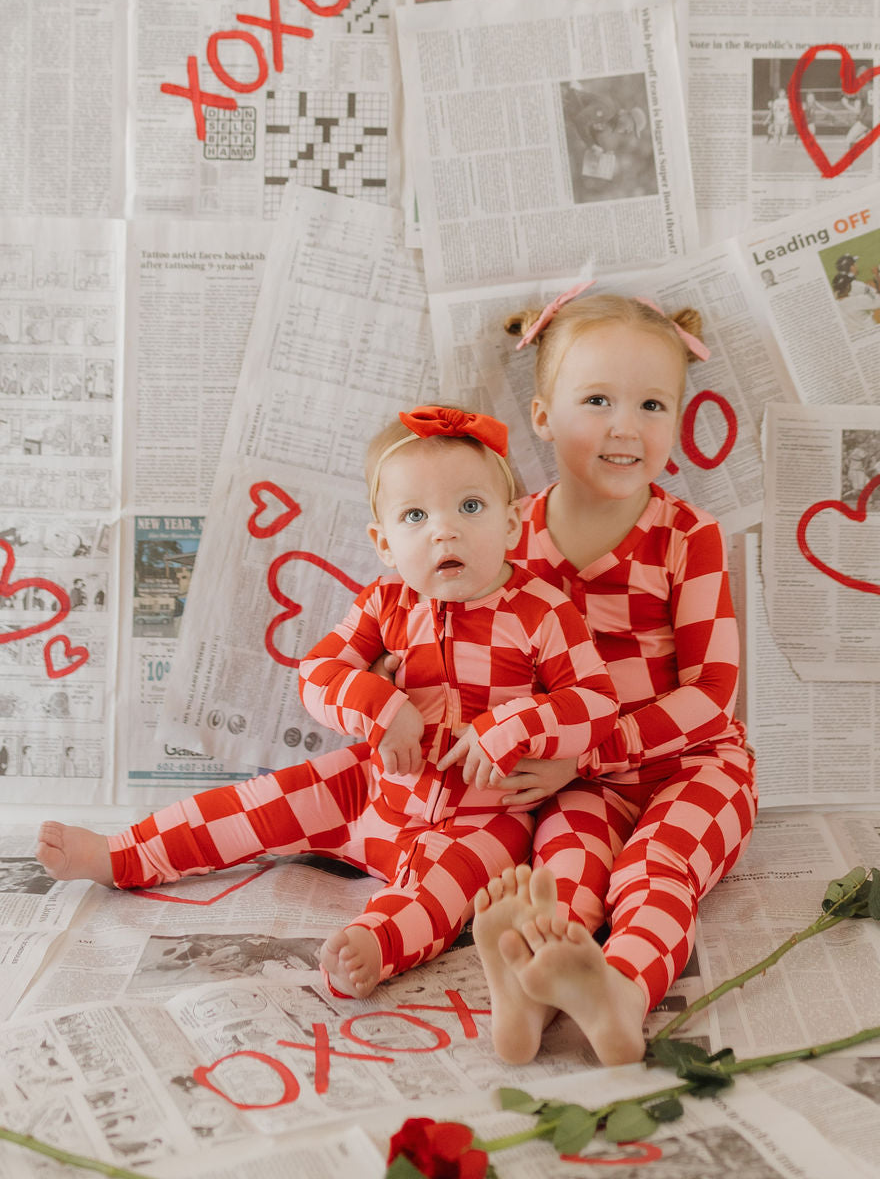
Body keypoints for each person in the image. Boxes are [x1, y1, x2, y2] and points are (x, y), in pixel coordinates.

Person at [36, 405, 617, 1001]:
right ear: (384, 543)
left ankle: (375, 941)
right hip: (371, 788)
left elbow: (596, 702)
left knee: (442, 887)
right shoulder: (385, 602)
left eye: (470, 507)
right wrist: (381, 705)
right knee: (258, 805)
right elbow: (317, 672)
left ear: (512, 523)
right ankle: (122, 854)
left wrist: (512, 724)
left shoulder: (542, 610)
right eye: (415, 516)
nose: (444, 531)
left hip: (483, 813)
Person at [471, 289, 757, 1066]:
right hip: (577, 782)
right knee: (562, 879)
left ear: (676, 419)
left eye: (651, 405)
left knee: (656, 867)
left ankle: (621, 996)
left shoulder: (688, 537)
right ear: (542, 416)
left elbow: (712, 695)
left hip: (694, 763)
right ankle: (527, 993)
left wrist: (585, 757)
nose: (626, 426)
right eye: (597, 401)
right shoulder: (510, 538)